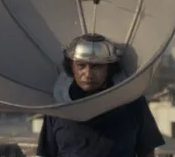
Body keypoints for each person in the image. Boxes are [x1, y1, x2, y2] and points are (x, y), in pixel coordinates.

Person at [36, 33, 166, 157]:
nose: (88, 74)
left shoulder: (132, 101)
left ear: (109, 68)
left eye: (96, 67)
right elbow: (48, 152)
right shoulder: (59, 106)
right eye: (81, 66)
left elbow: (147, 151)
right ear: (71, 67)